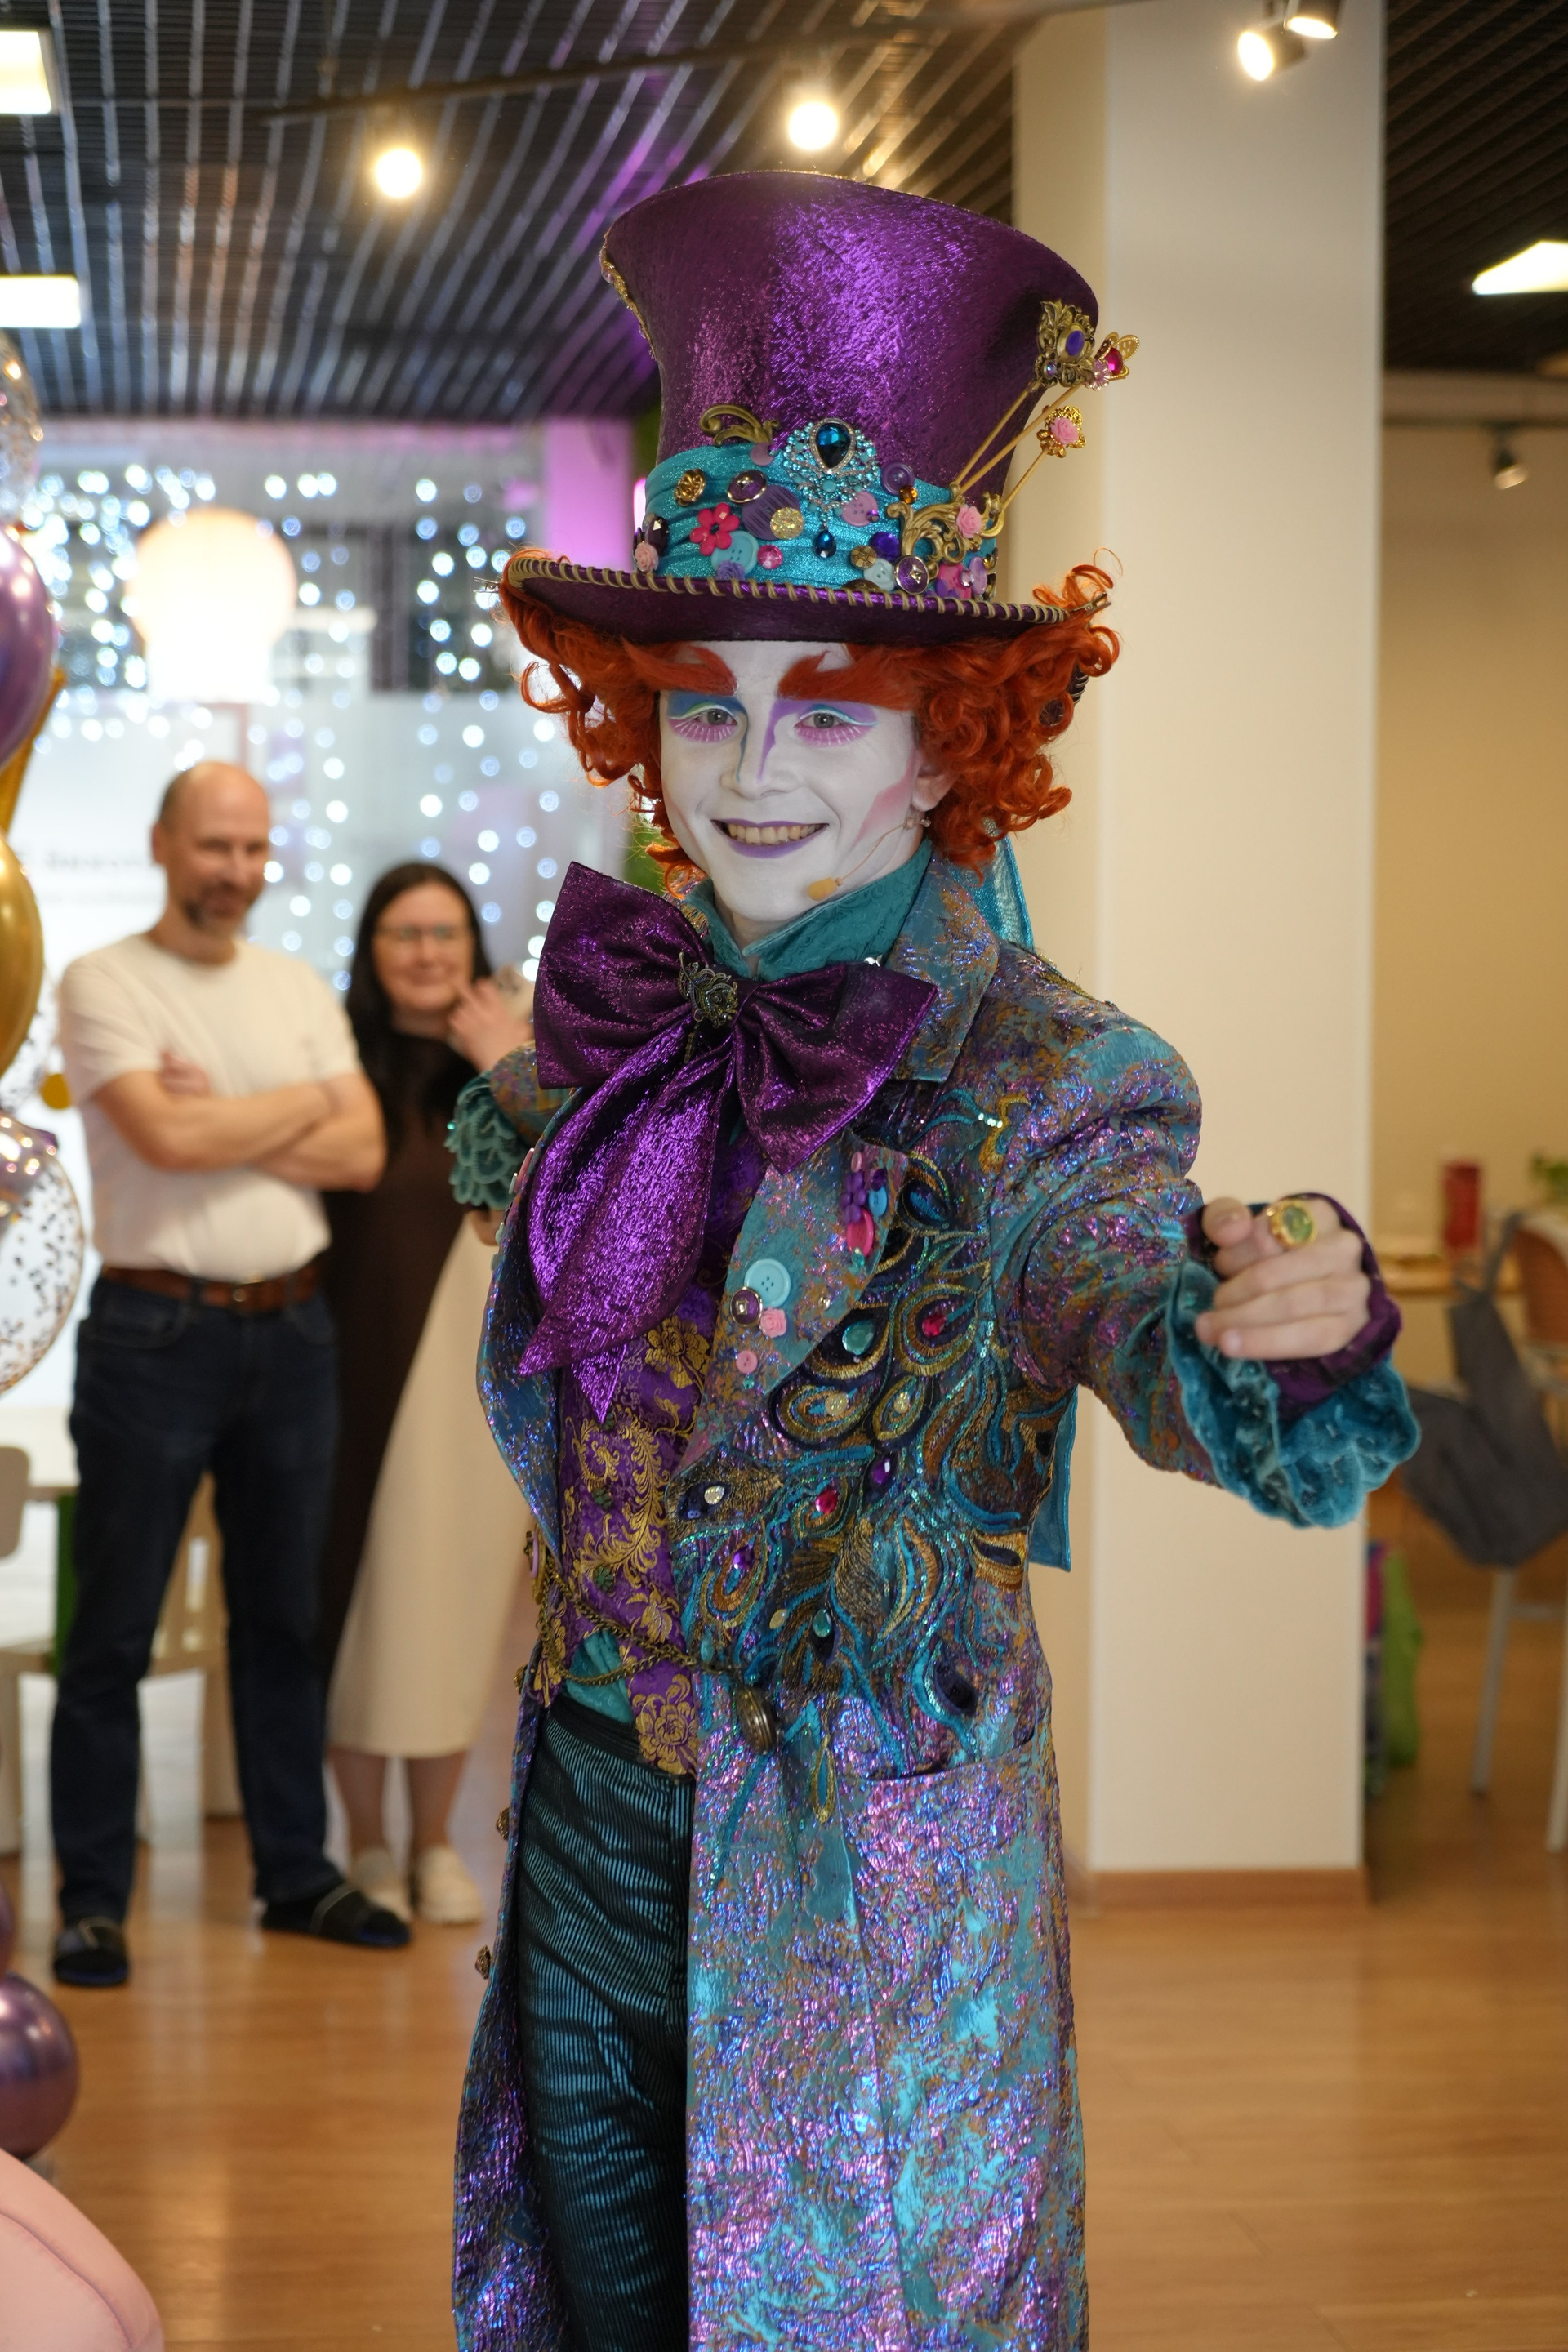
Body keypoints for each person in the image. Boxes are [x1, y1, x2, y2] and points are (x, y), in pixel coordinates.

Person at [447, 175, 1420, 2351]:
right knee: (599, 2309)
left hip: (861, 1888)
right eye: (707, 706)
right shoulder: (617, 1022)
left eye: (830, 711)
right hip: (583, 1824)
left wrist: (1281, 1320)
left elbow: (1130, 1297)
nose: (754, 770)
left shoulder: (1051, 1078)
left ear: (944, 739)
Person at [51, 760, 408, 1989]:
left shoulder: (294, 986)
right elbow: (164, 1137)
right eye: (215, 846)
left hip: (293, 1331)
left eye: (254, 849)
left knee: (284, 1624)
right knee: (114, 1630)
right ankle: (93, 1903)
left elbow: (363, 1151)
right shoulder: (102, 980)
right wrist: (296, 1106)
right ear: (162, 844)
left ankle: (296, 1876)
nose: (237, 872)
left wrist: (239, 1113)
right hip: (153, 1334)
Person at [318, 862, 535, 1928]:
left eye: (445, 932)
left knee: (449, 1606)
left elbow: (575, 1190)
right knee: (360, 1607)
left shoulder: (518, 1066)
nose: (426, 953)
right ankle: (363, 1842)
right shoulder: (333, 1062)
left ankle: (434, 1844)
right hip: (349, 1370)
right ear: (371, 949)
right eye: (403, 933)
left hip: (470, 1387)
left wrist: (505, 1064)